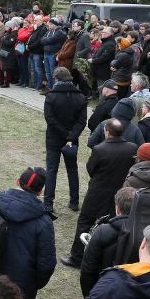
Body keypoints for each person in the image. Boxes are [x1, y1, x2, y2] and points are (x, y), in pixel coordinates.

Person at [64, 120, 137, 268]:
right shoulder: (132, 148)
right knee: (112, 225)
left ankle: (77, 257)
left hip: (97, 192)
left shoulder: (100, 149)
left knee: (84, 222)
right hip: (119, 192)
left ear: (107, 132)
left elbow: (91, 169)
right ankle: (106, 258)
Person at [0, 167, 56, 299]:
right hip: (21, 287)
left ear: (18, 181)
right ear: (40, 192)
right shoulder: (44, 222)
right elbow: (47, 263)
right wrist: (34, 285)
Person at [43, 67, 87, 214]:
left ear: (56, 79)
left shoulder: (51, 96)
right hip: (71, 140)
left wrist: (65, 134)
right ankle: (74, 202)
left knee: (51, 170)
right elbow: (82, 122)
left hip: (54, 138)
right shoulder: (80, 97)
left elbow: (50, 119)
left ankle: (48, 203)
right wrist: (71, 137)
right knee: (72, 170)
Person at [79, 188, 138, 296]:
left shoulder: (103, 231)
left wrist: (90, 296)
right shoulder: (147, 234)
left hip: (102, 292)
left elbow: (87, 269)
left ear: (117, 209)